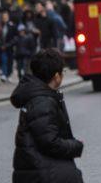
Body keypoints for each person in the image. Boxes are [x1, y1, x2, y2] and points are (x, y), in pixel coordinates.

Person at [11, 48, 84, 183]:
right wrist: (75, 146)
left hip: (36, 168)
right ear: (57, 77)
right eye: (63, 72)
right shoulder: (42, 102)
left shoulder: (40, 97)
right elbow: (50, 143)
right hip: (40, 172)